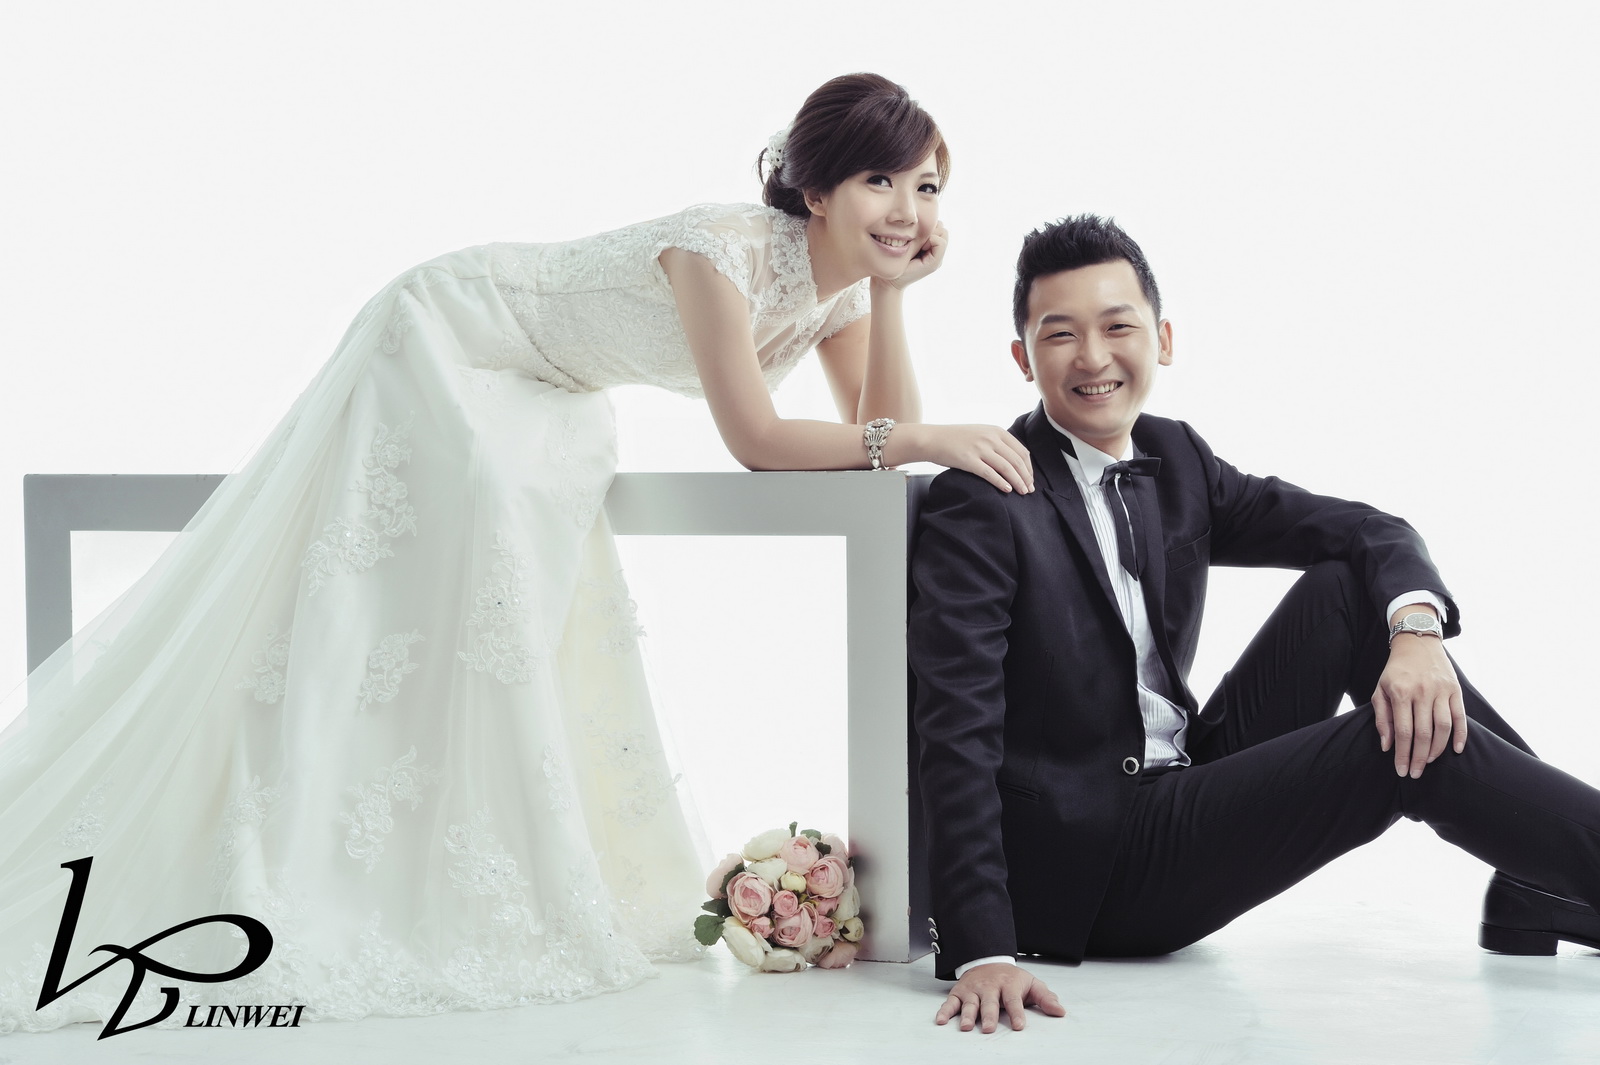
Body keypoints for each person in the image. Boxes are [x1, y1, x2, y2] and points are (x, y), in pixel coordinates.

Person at [0, 72, 1034, 1033]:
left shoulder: (842, 293)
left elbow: (873, 432)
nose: (908, 209)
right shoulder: (720, 249)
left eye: (927, 187)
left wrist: (892, 297)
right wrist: (928, 433)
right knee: (433, 543)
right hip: (454, 329)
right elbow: (760, 440)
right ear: (815, 192)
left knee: (530, 519)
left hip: (550, 388)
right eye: (879, 181)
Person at [908, 214, 1600, 1035]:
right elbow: (953, 726)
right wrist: (982, 946)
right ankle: (1560, 870)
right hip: (1099, 861)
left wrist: (1416, 631)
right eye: (1060, 335)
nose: (1093, 357)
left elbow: (1365, 528)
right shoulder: (982, 499)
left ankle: (1538, 877)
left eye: (1117, 326)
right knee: (1391, 746)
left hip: (1182, 777)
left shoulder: (1176, 457)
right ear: (1024, 358)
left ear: (1162, 339)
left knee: (1348, 593)